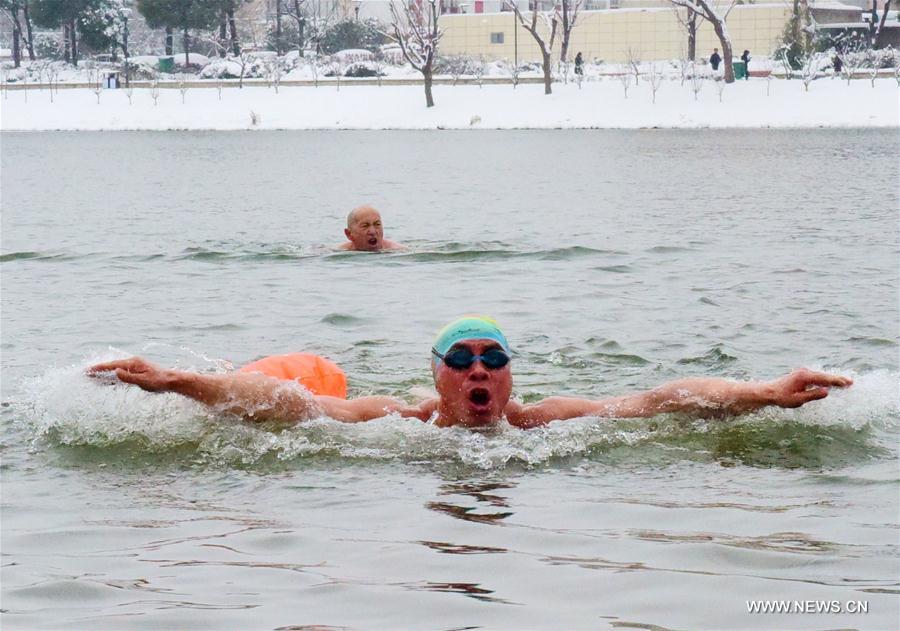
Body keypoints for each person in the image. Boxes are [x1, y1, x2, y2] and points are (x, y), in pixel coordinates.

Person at [88, 316, 853, 430]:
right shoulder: (402, 417)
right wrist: (177, 381)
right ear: (441, 374)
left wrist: (762, 393)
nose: (477, 369)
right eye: (461, 360)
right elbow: (294, 405)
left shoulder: (542, 419)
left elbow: (658, 398)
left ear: (511, 376)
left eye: (492, 359)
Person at [336, 205, 403, 252]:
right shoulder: (338, 251)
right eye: (365, 226)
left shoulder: (398, 250)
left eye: (377, 224)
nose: (373, 232)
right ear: (349, 234)